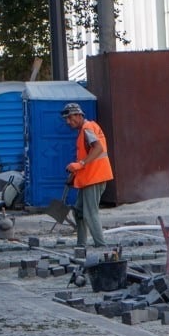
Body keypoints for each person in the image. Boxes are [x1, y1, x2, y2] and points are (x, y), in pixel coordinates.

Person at [61, 102, 113, 248]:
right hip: (89, 177)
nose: (68, 122)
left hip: (95, 177)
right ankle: (81, 244)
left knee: (90, 213)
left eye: (70, 118)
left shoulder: (87, 128)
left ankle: (101, 246)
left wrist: (81, 164)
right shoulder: (85, 129)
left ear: (79, 115)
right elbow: (89, 153)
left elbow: (98, 148)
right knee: (79, 210)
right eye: (66, 119)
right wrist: (76, 172)